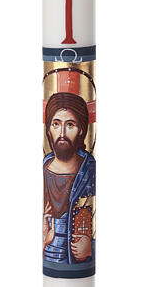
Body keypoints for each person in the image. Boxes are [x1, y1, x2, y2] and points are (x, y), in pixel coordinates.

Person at [43, 92, 96, 264]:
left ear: (81, 129)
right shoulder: (43, 167)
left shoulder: (89, 170)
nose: (62, 133)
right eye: (56, 124)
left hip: (79, 263)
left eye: (70, 125)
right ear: (48, 128)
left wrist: (90, 248)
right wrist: (43, 241)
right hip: (48, 260)